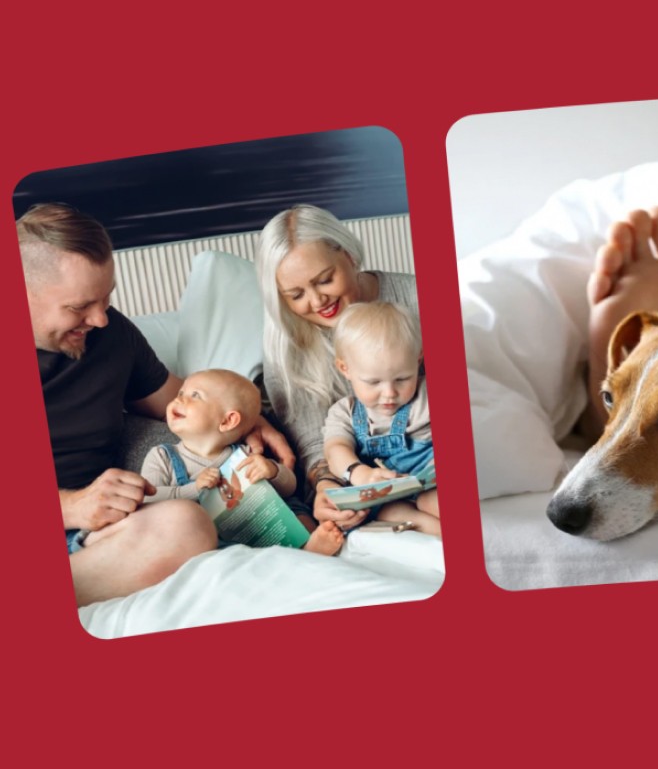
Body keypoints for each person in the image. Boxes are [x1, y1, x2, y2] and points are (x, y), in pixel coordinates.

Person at [24, 202, 259, 606]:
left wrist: (249, 424)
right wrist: (69, 507)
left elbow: (180, 403)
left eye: (106, 299)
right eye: (79, 306)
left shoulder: (111, 335)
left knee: (186, 525)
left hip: (97, 539)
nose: (99, 319)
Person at [257, 204, 419, 541]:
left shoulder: (416, 298)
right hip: (350, 478)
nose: (317, 301)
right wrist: (327, 485)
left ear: (349, 255)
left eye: (325, 280)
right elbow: (312, 439)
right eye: (296, 295)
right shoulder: (284, 343)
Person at [143, 371, 340, 554]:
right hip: (212, 538)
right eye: (181, 392)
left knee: (292, 507)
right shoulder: (162, 457)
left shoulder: (245, 452)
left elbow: (290, 487)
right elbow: (147, 502)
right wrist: (194, 489)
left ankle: (309, 545)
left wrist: (272, 471)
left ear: (228, 421)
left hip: (258, 524)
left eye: (195, 395)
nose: (179, 399)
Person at [318, 300, 442, 537]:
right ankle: (439, 535)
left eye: (402, 379)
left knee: (430, 502)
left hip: (430, 483)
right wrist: (360, 473)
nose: (389, 393)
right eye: (373, 382)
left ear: (418, 360)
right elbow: (335, 449)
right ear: (345, 369)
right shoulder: (344, 412)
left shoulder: (426, 396)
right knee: (388, 514)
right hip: (388, 497)